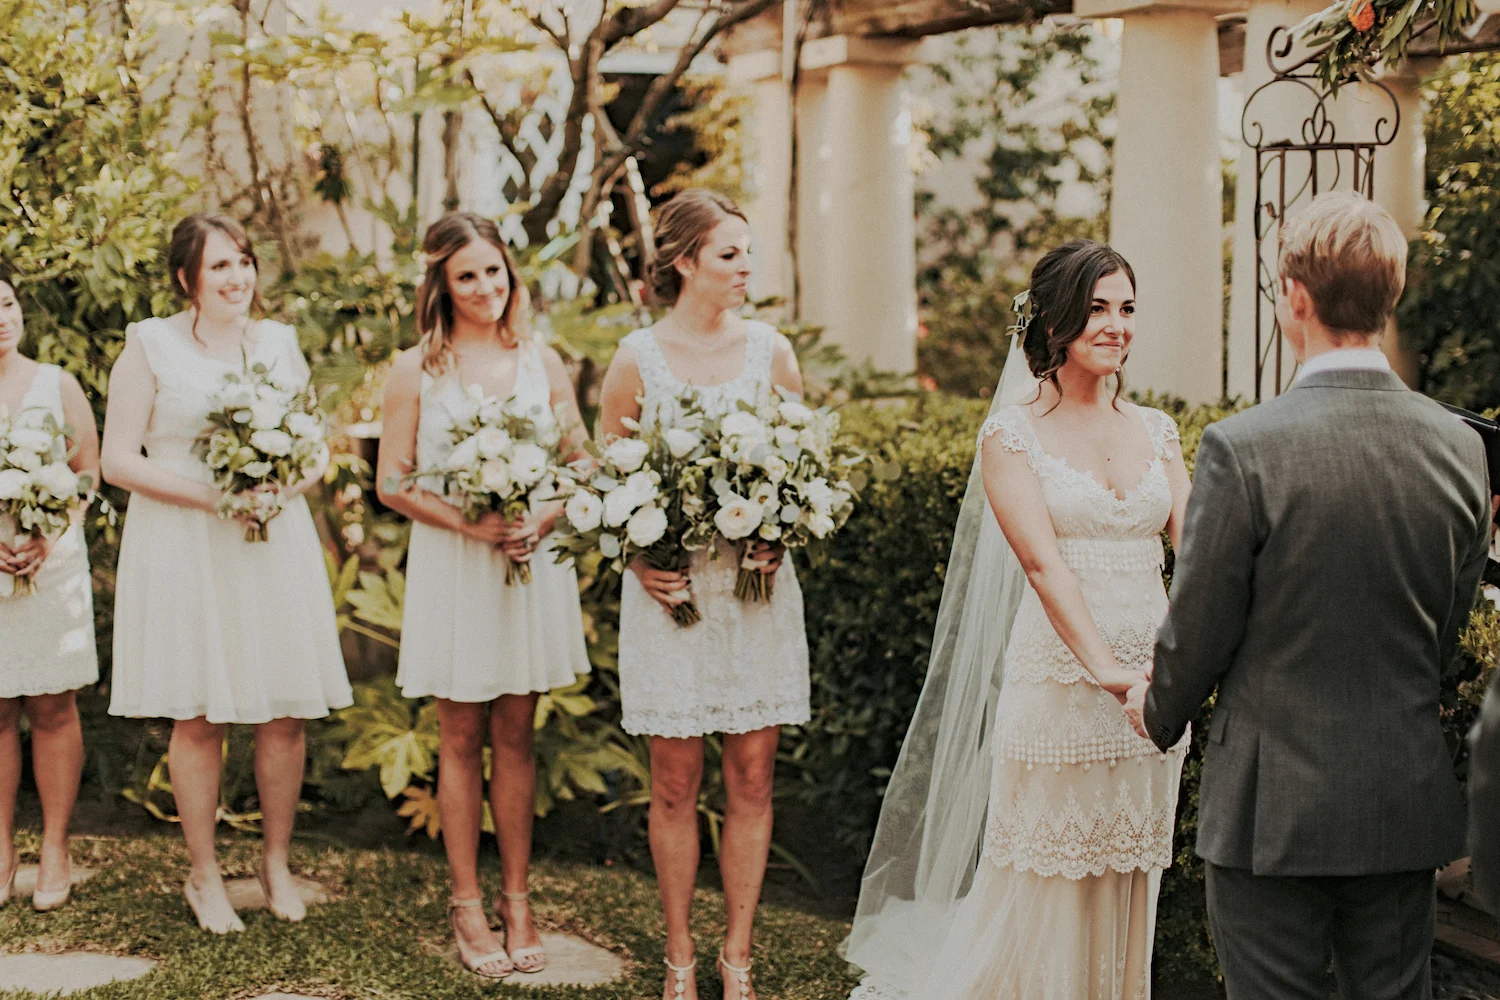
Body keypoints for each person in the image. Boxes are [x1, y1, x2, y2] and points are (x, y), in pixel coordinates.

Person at [1129, 191, 1491, 1000]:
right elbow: (1445, 635)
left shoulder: (1243, 449)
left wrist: (1158, 708)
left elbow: (1201, 624)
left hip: (1271, 807)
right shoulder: (1462, 448)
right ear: (1388, 295)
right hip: (1401, 795)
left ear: (1295, 297)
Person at [846, 239, 1190, 999]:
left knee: (1129, 865)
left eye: (1127, 308)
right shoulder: (1013, 435)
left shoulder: (1159, 431)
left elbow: (1199, 558)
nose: (1116, 325)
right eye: (1098, 308)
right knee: (1046, 865)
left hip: (1155, 693)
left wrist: (1178, 668)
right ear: (1057, 319)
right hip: (1064, 683)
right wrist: (1106, 671)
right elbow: (1044, 566)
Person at [103, 213, 352, 933]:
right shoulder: (148, 346)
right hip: (186, 540)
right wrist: (219, 497)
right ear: (187, 278)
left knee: (283, 711)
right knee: (199, 712)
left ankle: (275, 864)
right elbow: (120, 459)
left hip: (271, 539)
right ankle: (205, 875)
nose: (238, 277)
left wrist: (282, 488)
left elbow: (315, 449)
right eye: (220, 266)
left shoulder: (278, 343)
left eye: (243, 261)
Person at [597, 189, 807, 1000]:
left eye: (748, 252)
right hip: (672, 599)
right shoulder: (636, 359)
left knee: (752, 779)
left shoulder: (772, 353)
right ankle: (680, 958)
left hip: (754, 593)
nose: (745, 267)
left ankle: (738, 957)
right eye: (729, 254)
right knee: (676, 783)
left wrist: (779, 533)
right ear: (683, 261)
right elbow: (606, 487)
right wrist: (640, 565)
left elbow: (800, 472)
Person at [377, 212, 591, 979]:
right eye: (467, 275)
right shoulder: (416, 370)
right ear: (441, 284)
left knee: (517, 735)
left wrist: (541, 513)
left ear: (511, 273)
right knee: (460, 737)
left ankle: (518, 899)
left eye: (494, 271)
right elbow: (392, 482)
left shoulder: (541, 361)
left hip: (528, 563)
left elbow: (582, 461)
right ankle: (466, 904)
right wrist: (472, 524)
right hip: (457, 565)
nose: (485, 288)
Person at [0, 269, 100, 912]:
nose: (0, 318)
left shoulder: (55, 384)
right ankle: (1, 848)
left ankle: (57, 846)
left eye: (5, 304)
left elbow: (88, 470)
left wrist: (49, 533)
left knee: (53, 707)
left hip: (50, 562)